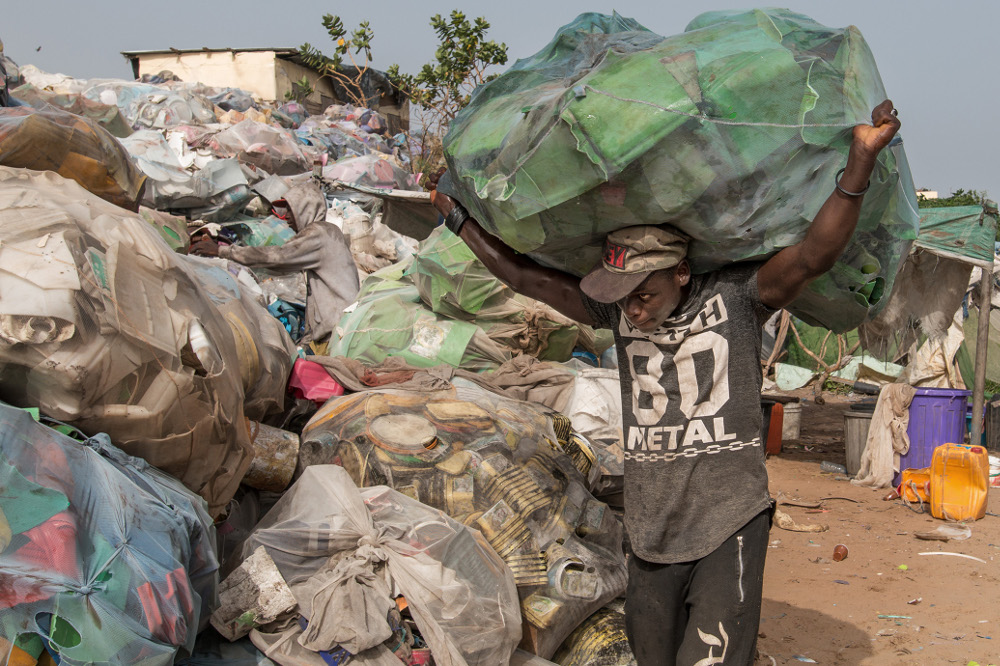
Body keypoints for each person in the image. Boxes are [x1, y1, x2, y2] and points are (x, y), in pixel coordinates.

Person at [429, 100, 901, 665]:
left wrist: (859, 162)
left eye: (645, 293)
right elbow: (525, 276)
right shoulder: (616, 315)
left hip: (730, 521)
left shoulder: (736, 299)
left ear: (680, 272)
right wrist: (457, 219)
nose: (636, 309)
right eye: (624, 297)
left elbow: (813, 255)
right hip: (650, 532)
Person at [190, 181, 360, 345]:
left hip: (337, 330)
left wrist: (224, 251)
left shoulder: (319, 233)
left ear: (305, 209)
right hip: (338, 326)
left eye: (290, 211)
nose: (286, 217)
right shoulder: (324, 233)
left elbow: (278, 257)